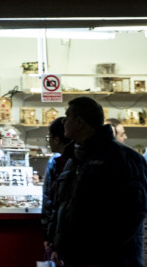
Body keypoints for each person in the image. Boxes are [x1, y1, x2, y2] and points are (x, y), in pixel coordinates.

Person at [54, 96, 147, 267]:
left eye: (67, 117)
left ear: (80, 122)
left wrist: (97, 252)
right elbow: (64, 205)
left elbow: (132, 213)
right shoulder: (74, 159)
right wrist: (59, 246)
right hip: (77, 258)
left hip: (111, 260)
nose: (63, 122)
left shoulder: (123, 158)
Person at [40, 117, 72, 262]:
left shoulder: (55, 161)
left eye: (50, 137)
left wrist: (48, 234)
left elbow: (49, 198)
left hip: (62, 230)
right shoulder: (81, 157)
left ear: (57, 139)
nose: (49, 141)